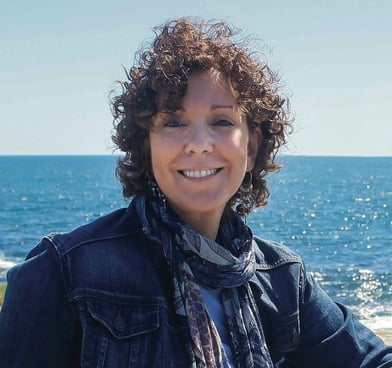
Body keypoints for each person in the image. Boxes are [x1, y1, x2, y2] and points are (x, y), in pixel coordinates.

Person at [0, 18, 391, 368]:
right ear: (145, 144)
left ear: (252, 147)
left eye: (221, 121)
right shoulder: (63, 271)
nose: (199, 143)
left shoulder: (282, 278)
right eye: (173, 122)